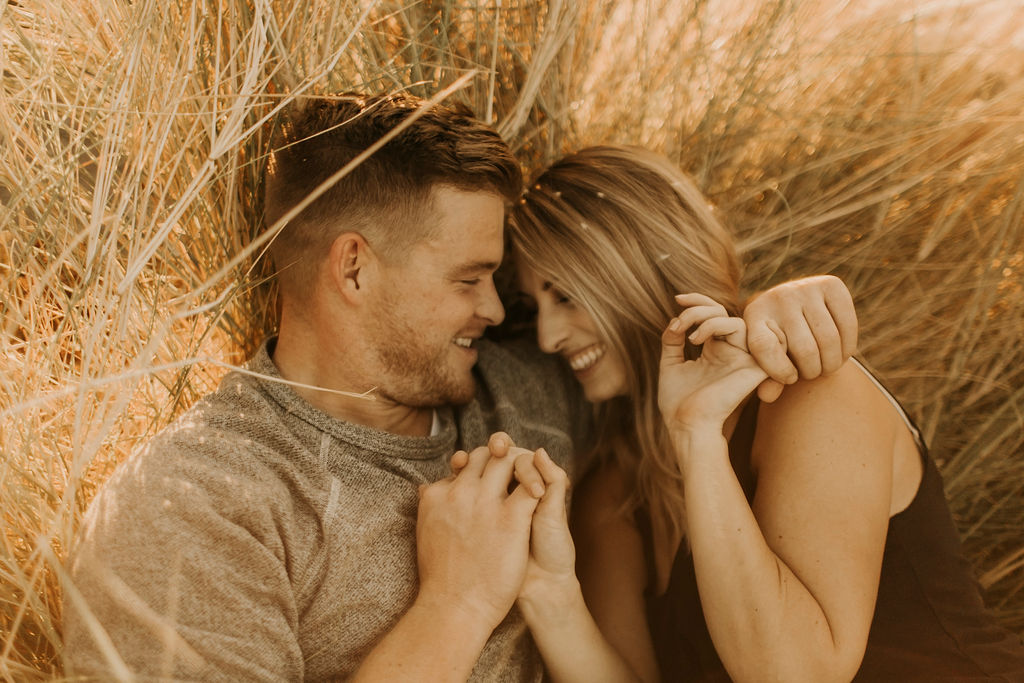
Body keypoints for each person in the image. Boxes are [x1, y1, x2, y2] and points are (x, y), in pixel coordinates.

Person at [62, 95, 856, 681]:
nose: (497, 309)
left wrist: (775, 308)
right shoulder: (197, 503)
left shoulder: (528, 386)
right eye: (470, 278)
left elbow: (647, 335)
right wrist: (457, 603)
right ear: (354, 267)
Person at [505, 145, 1024, 682]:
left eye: (564, 296)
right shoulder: (614, 491)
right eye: (533, 305)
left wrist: (697, 436)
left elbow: (800, 674)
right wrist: (547, 593)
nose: (547, 337)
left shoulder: (808, 393)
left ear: (633, 269)